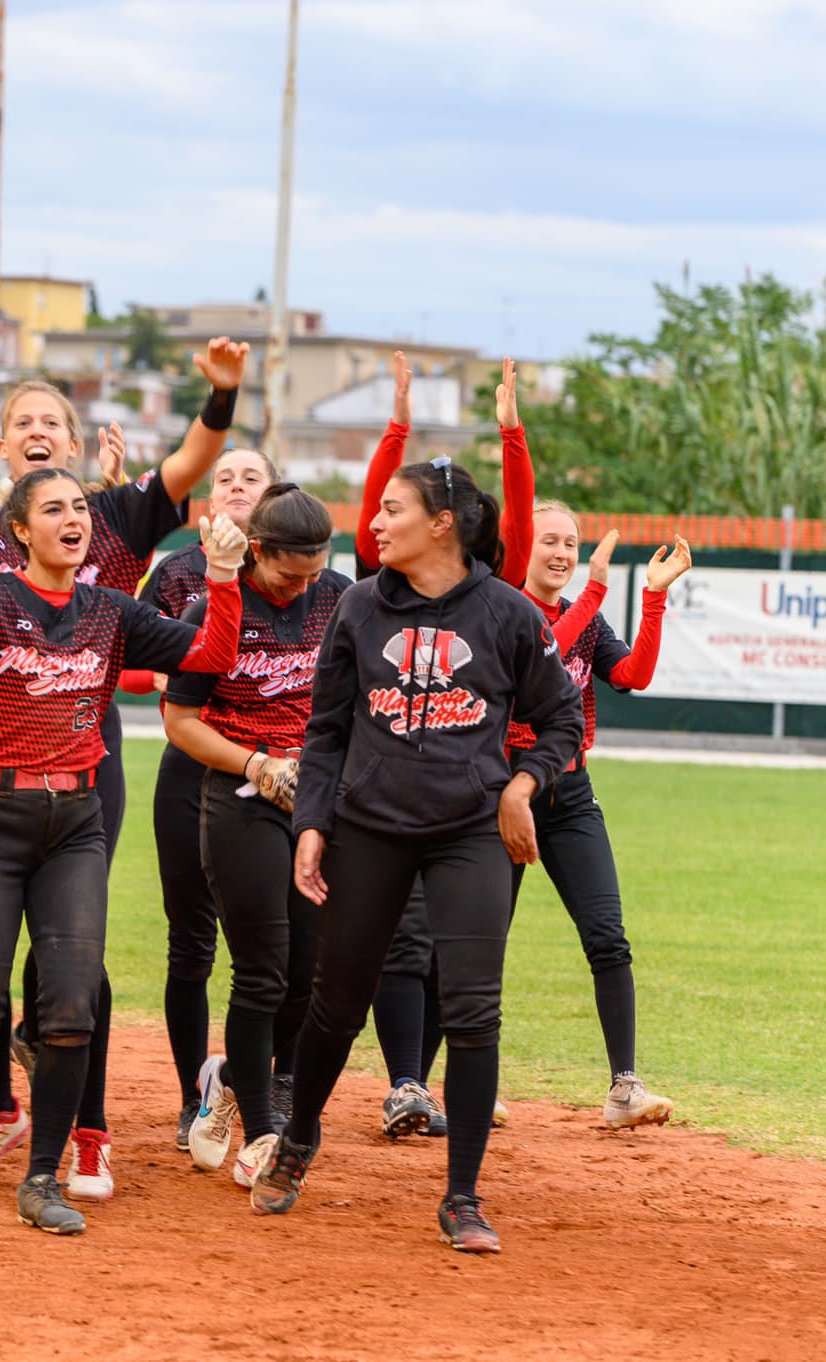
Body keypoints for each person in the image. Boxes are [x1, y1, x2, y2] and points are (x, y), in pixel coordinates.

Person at [0, 340, 248, 1197]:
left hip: (79, 792)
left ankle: (55, 1166)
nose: (36, 432)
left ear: (75, 445)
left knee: (70, 997)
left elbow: (208, 653)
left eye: (49, 422)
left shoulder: (110, 573)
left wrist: (222, 569)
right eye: (20, 422)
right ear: (18, 521)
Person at [250, 456, 584, 1255]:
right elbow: (326, 731)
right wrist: (312, 825)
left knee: (473, 1011)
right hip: (370, 826)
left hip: (471, 830)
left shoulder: (506, 613)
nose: (375, 521)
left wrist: (521, 786)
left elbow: (562, 719)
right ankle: (299, 1137)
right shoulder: (359, 608)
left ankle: (463, 1195)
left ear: (442, 524)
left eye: (392, 509)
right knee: (338, 1001)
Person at [360, 355, 534, 1139]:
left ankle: (424, 1082)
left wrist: (512, 434)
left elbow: (519, 525)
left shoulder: (504, 600)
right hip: (398, 792)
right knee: (403, 940)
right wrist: (397, 423)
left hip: (495, 794)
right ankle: (403, 1083)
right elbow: (378, 509)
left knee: (462, 959)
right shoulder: (382, 592)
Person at [162, 484, 350, 1190]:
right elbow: (180, 720)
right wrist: (255, 762)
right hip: (240, 796)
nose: (301, 587)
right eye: (287, 573)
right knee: (264, 970)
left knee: (310, 974)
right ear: (258, 551)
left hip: (316, 801)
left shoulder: (338, 599)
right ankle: (264, 1132)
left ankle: (229, 1083)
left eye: (314, 571)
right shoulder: (214, 606)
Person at [136, 446, 299, 1150]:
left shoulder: (308, 582)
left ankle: (266, 1081)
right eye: (224, 476)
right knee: (191, 941)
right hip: (196, 765)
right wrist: (182, 674)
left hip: (287, 777)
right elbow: (133, 658)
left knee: (284, 948)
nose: (235, 485)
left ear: (271, 500)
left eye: (250, 477)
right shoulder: (178, 572)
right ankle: (191, 1094)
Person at [510, 505, 693, 1127]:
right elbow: (544, 650)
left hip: (571, 795)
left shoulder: (585, 618)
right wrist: (594, 586)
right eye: (549, 541)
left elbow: (633, 675)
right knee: (475, 944)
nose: (562, 552)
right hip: (504, 793)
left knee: (608, 938)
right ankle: (434, 1084)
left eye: (572, 542)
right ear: (522, 545)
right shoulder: (505, 608)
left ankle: (624, 1087)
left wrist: (654, 597)